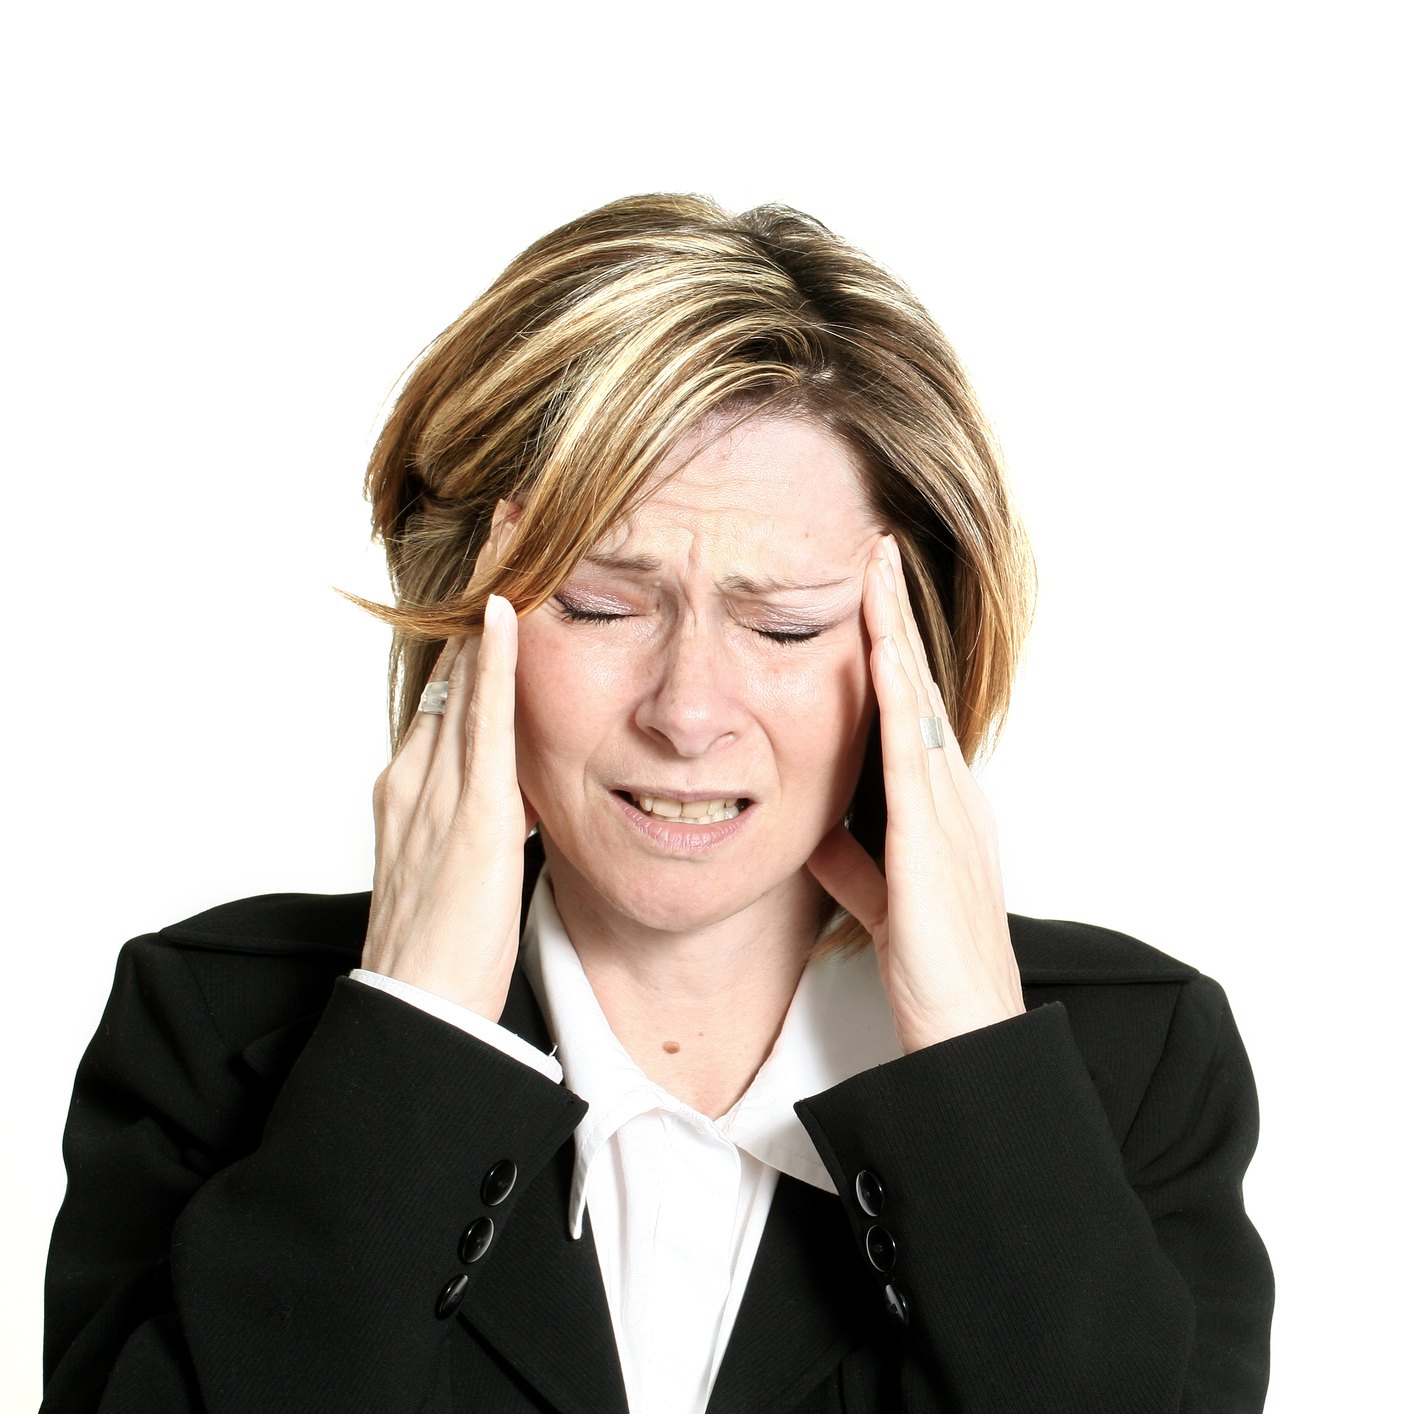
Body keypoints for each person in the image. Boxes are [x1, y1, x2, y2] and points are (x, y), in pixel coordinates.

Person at [40, 193, 1273, 1414]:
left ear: (920, 657)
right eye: (599, 605)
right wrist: (411, 1038)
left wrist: (970, 1058)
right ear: (469, 623)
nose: (689, 711)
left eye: (784, 622)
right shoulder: (209, 1025)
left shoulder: (1133, 1071)